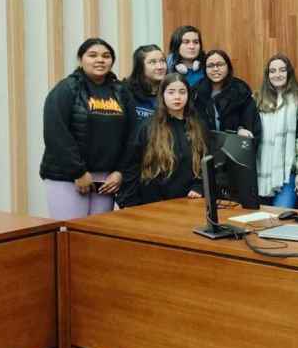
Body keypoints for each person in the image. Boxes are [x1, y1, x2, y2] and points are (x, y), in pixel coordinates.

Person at [40, 38, 135, 219]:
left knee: (97, 232)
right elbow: (55, 133)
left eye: (106, 56)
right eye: (92, 55)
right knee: (69, 231)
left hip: (106, 179)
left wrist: (120, 172)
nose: (100, 60)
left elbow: (131, 136)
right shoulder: (66, 88)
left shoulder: (121, 91)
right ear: (80, 59)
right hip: (67, 176)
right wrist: (78, 172)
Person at [121, 73, 206, 207]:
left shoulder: (199, 127)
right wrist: (130, 203)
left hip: (189, 202)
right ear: (162, 95)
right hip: (152, 203)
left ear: (188, 95)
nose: (177, 97)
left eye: (182, 92)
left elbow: (207, 164)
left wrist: (199, 187)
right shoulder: (147, 127)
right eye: (171, 92)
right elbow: (131, 167)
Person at [255, 54, 298, 208]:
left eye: (282, 70)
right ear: (267, 75)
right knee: (258, 217)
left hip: (288, 173)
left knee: (280, 216)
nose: (277, 74)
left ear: (289, 73)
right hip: (260, 173)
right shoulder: (257, 99)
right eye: (272, 71)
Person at [193, 49, 261, 140]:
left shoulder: (241, 89)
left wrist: (241, 129)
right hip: (204, 145)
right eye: (210, 66)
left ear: (228, 67)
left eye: (220, 64)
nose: (215, 69)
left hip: (234, 144)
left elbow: (251, 120)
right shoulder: (197, 91)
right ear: (205, 69)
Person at [125, 44, 167, 121]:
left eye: (162, 61)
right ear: (140, 66)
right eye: (152, 62)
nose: (160, 67)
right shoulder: (126, 92)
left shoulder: (169, 92)